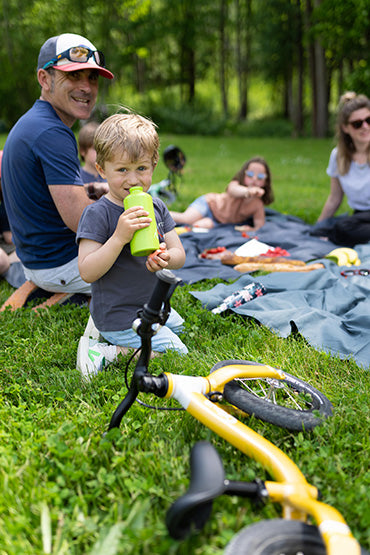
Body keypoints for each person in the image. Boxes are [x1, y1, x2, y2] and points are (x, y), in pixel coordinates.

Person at [76, 112, 188, 380]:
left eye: (141, 168)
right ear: (102, 169)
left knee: (180, 327)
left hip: (149, 306)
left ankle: (119, 333)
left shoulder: (157, 206)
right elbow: (87, 271)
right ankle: (105, 353)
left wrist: (165, 257)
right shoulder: (98, 214)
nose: (133, 180)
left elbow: (180, 255)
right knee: (178, 352)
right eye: (122, 170)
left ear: (153, 165)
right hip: (119, 313)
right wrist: (119, 237)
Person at [1, 33, 114, 295]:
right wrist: (120, 205)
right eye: (73, 75)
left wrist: (95, 193)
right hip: (59, 266)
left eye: (92, 77)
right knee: (152, 262)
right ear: (44, 78)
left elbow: (48, 201)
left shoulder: (35, 121)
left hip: (36, 261)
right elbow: (81, 221)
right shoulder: (52, 132)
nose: (86, 87)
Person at [317, 92, 370, 246]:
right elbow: (335, 198)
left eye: (368, 120)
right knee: (329, 229)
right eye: (357, 124)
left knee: (342, 228)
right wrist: (319, 225)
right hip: (360, 218)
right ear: (345, 128)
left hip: (359, 222)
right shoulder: (338, 156)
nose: (365, 127)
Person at [169, 156, 274, 231]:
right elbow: (234, 191)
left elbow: (259, 225)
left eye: (260, 177)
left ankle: (175, 231)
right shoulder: (235, 185)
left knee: (200, 226)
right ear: (243, 174)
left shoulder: (257, 204)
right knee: (187, 218)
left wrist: (251, 229)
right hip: (209, 204)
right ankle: (158, 215)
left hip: (218, 221)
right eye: (250, 175)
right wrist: (248, 192)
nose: (254, 179)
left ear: (266, 181)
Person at [78, 121, 108, 199]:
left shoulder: (109, 174)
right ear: (82, 151)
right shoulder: (76, 177)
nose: (100, 153)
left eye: (102, 148)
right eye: (95, 149)